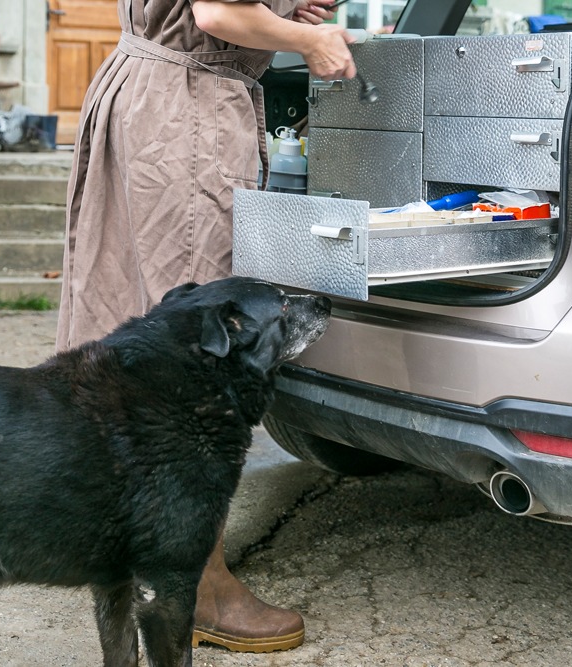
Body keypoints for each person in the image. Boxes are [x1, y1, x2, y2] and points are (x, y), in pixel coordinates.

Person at [56, 0, 357, 653]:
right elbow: (218, 14)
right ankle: (195, 584)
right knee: (195, 356)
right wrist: (308, 38)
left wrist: (278, 10)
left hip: (149, 97)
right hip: (184, 117)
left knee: (127, 321)